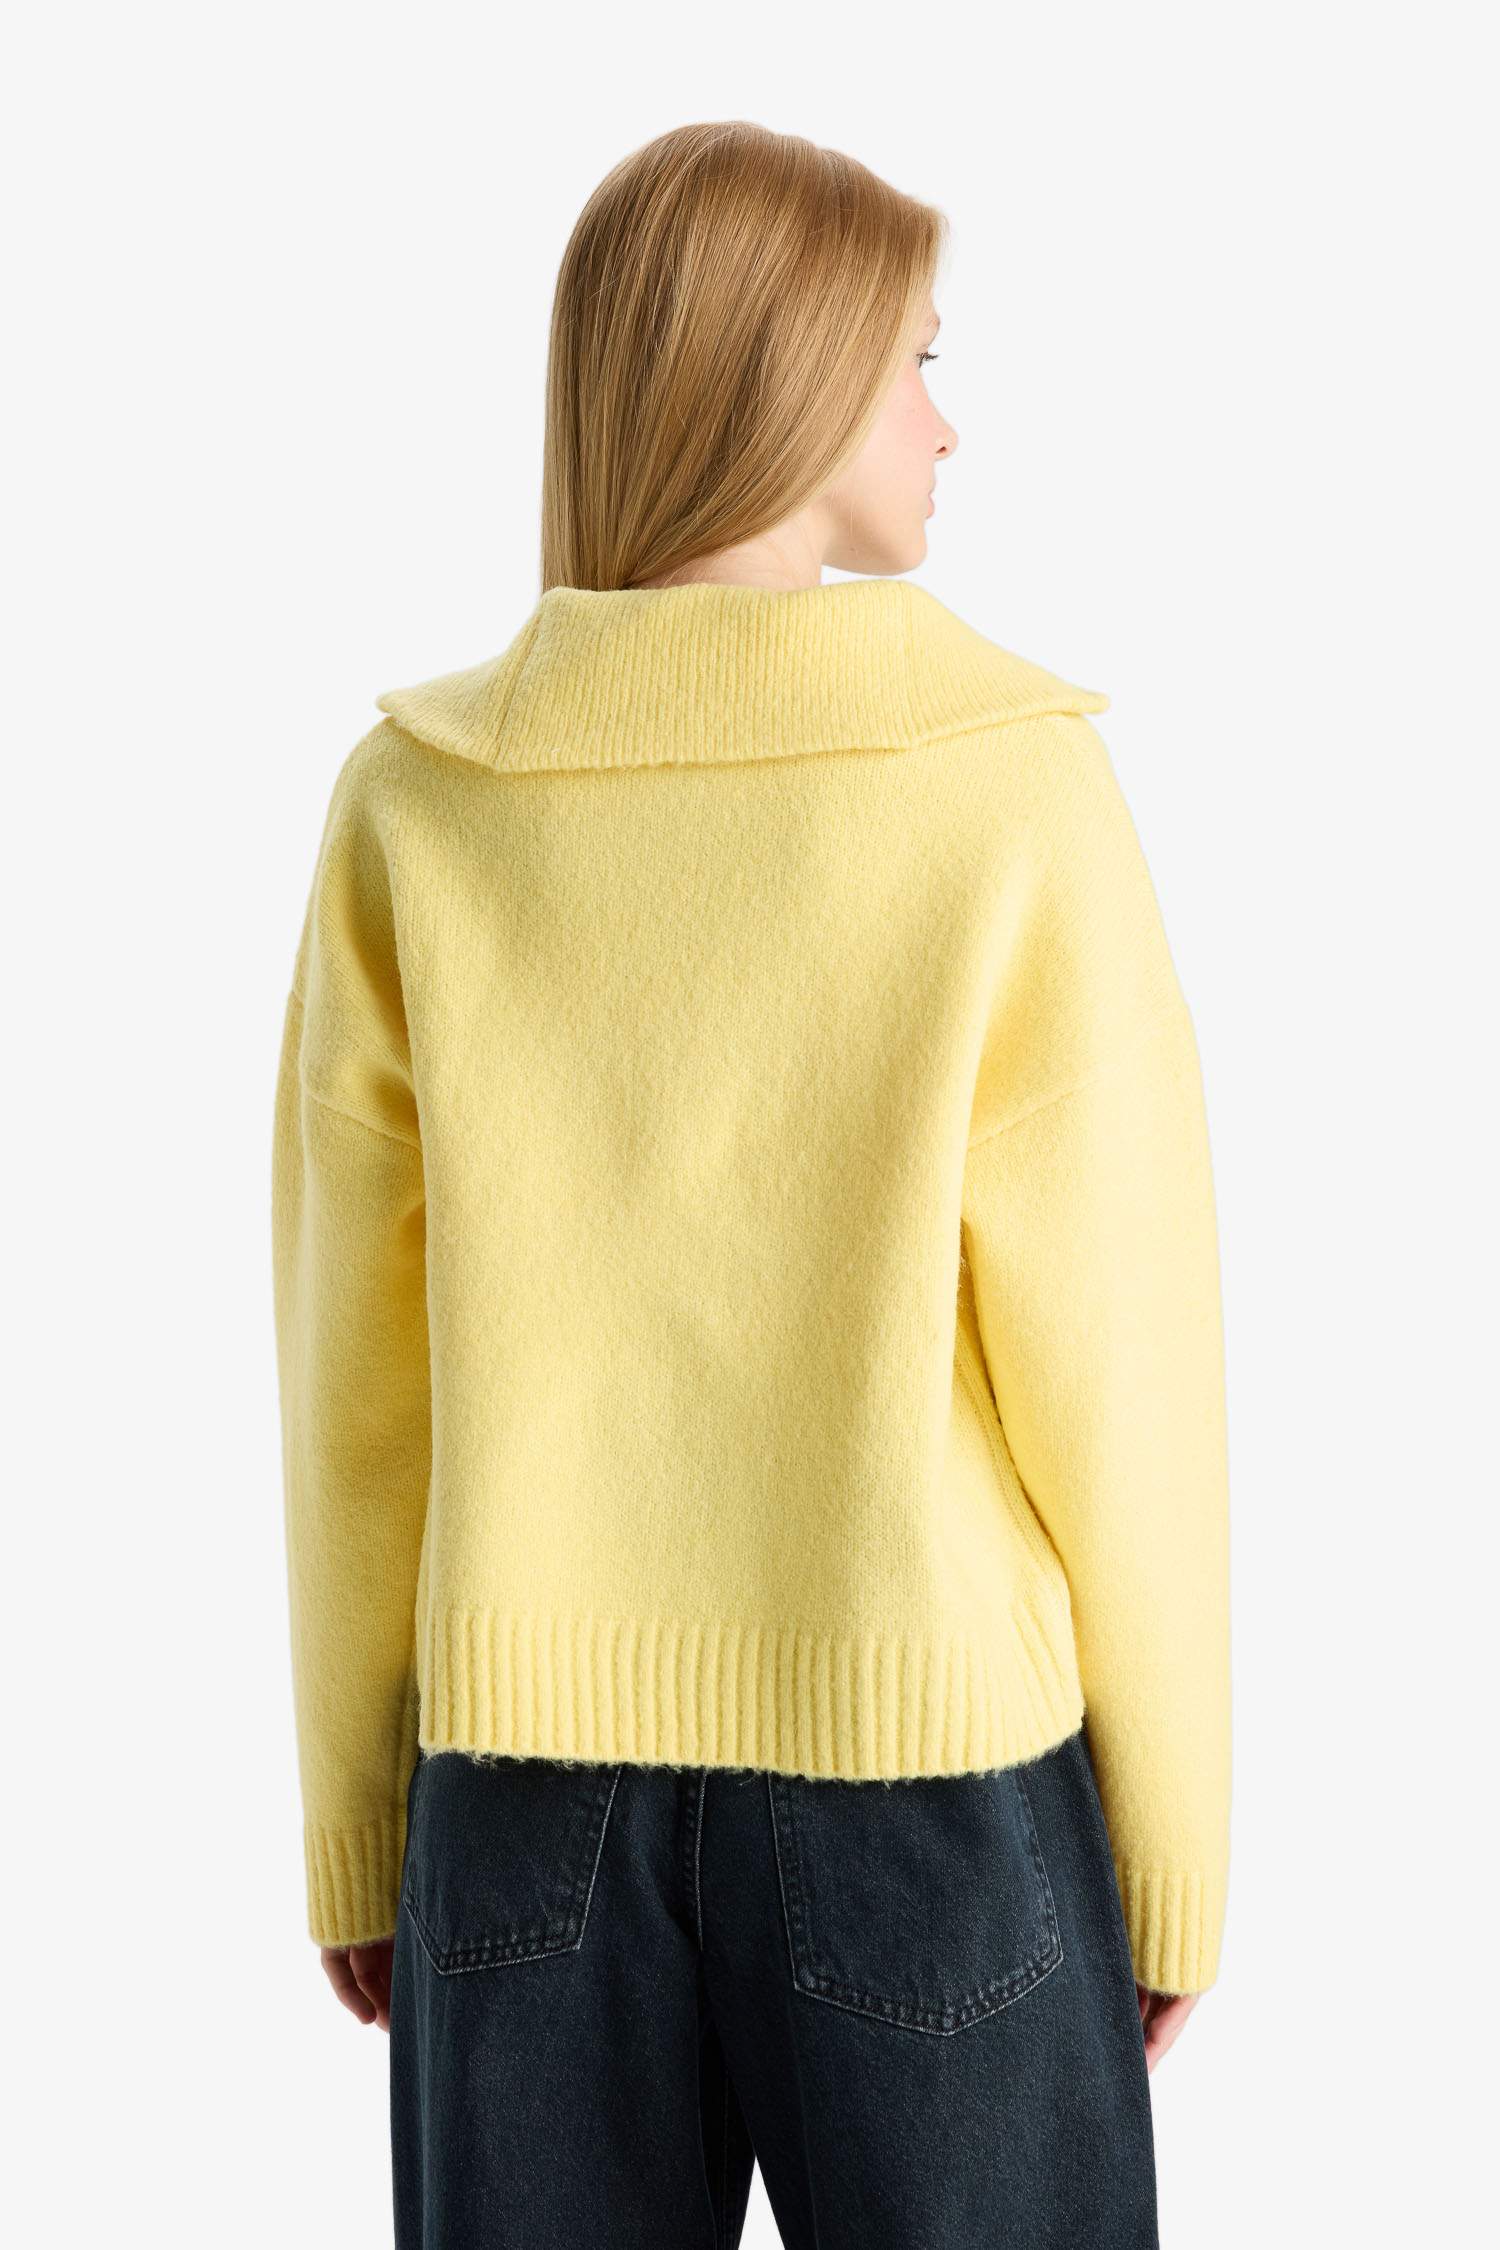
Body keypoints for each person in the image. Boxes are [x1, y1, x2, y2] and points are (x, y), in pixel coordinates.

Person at [271, 120, 1231, 2249]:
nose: (946, 424)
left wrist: (357, 1814)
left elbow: (352, 1377)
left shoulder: (416, 804)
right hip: (935, 1785)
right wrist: (1171, 1841)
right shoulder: (1011, 791)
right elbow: (1125, 1367)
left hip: (517, 1802)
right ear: (783, 382)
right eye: (916, 362)